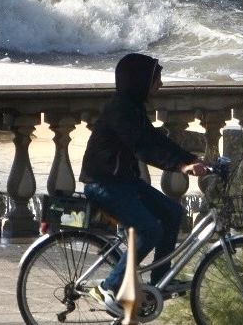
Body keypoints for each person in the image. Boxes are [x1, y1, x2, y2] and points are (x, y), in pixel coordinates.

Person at [81, 52, 208, 317]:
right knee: (149, 230)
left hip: (125, 183)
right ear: (140, 80)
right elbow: (142, 148)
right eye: (156, 78)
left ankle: (162, 279)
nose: (160, 84)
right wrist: (179, 166)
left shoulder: (133, 106)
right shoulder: (120, 110)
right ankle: (109, 286)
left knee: (173, 212)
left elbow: (155, 139)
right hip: (104, 185)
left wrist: (189, 159)